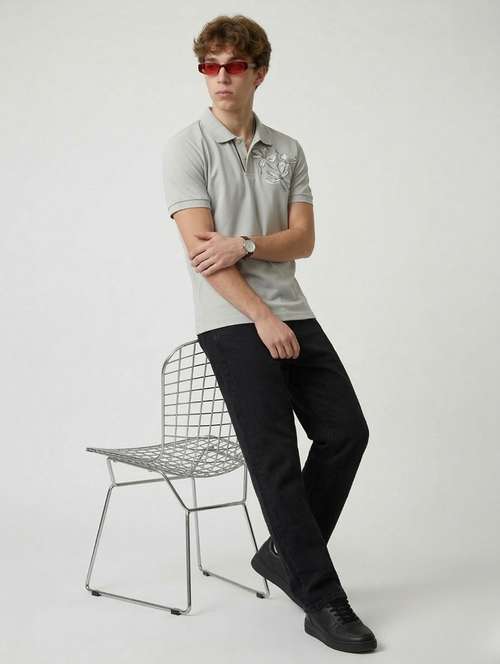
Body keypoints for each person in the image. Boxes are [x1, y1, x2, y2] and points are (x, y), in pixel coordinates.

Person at [162, 14, 377, 654]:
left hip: (295, 312)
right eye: (210, 67)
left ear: (259, 72)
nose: (221, 78)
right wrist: (260, 314)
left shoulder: (287, 150)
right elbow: (203, 254)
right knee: (275, 459)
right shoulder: (187, 148)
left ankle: (284, 552)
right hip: (235, 320)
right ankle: (324, 600)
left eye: (234, 66)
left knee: (346, 432)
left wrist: (248, 242)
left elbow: (302, 240)